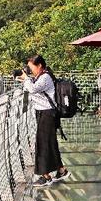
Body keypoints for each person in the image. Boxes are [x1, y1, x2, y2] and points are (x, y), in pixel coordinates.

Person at [19, 55, 71, 187]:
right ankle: (61, 170)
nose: (30, 71)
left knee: (42, 144)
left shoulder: (46, 77)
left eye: (31, 68)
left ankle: (45, 176)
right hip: (44, 113)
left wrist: (26, 79)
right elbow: (32, 88)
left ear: (40, 65)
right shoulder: (40, 77)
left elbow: (33, 89)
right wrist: (25, 79)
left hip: (47, 113)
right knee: (50, 143)